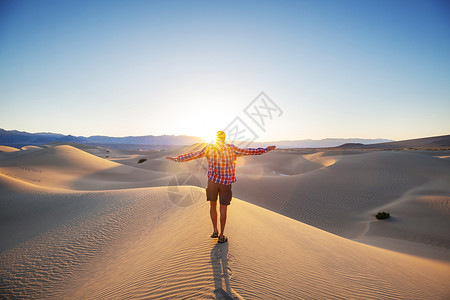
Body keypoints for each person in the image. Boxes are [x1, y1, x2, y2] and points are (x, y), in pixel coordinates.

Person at [166, 131, 276, 243]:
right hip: (226, 183)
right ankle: (222, 236)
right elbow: (249, 151)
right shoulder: (231, 148)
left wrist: (177, 159)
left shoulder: (210, 148)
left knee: (212, 205)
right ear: (224, 138)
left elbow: (193, 155)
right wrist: (265, 149)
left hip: (212, 182)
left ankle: (215, 231)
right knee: (223, 208)